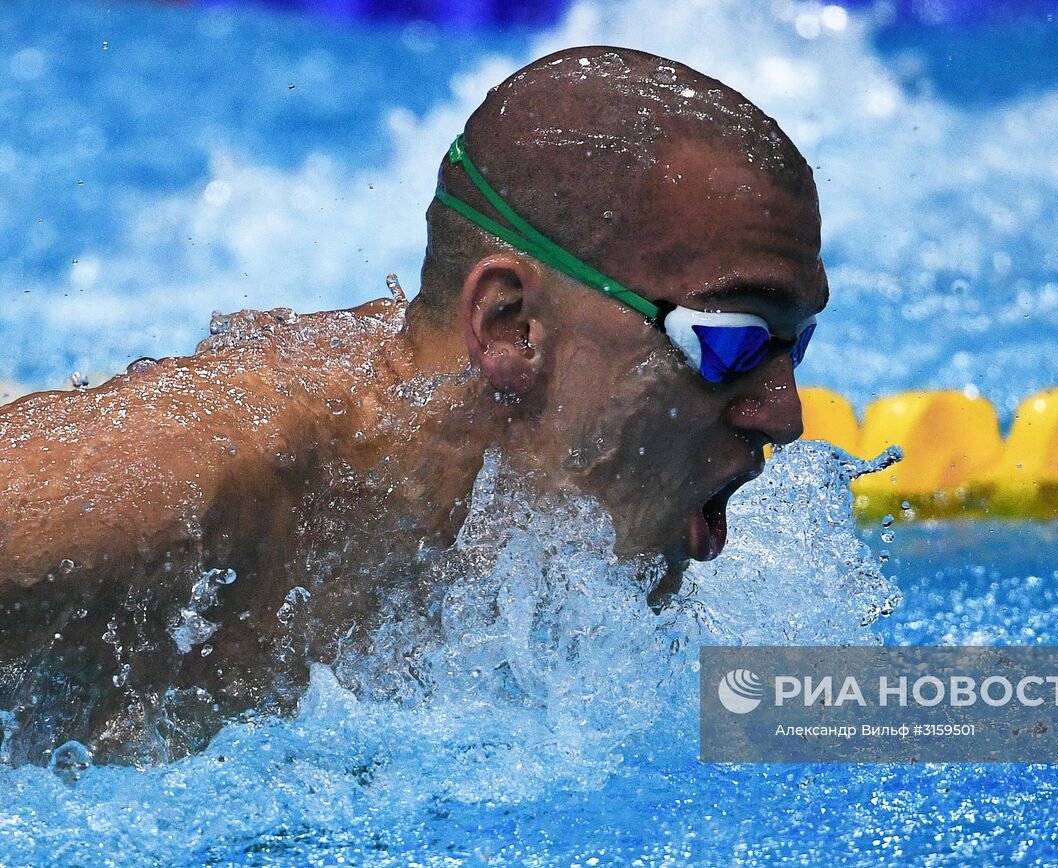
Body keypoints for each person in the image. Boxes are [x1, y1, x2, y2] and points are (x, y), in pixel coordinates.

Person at [0, 45, 827, 765]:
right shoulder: (172, 496)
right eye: (731, 342)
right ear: (511, 326)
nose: (783, 415)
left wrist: (940, 716)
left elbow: (845, 713)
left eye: (797, 346)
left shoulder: (559, 541)